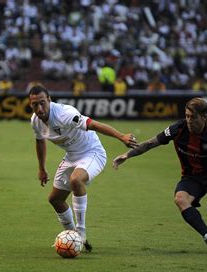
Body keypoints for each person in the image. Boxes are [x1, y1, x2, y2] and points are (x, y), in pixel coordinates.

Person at [112, 97, 207, 253]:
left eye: (193, 117)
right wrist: (127, 155)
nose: (189, 120)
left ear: (204, 117)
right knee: (180, 199)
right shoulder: (178, 129)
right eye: (187, 116)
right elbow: (151, 143)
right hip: (191, 177)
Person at [29, 85, 138, 251]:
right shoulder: (35, 122)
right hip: (72, 156)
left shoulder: (65, 114)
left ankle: (80, 233)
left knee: (76, 179)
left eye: (42, 103)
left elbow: (94, 124)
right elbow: (39, 141)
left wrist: (121, 136)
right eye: (35, 104)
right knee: (55, 200)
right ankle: (73, 237)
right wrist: (42, 168)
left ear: (49, 100)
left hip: (92, 152)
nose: (39, 108)